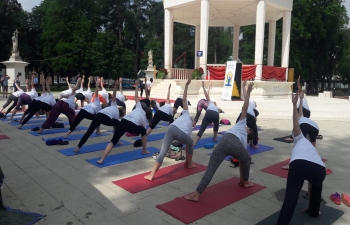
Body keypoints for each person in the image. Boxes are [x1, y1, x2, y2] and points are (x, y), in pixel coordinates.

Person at [184, 82, 256, 202]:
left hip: (224, 141)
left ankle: (196, 194)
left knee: (211, 168)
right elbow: (243, 161)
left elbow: (244, 107)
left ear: (248, 132)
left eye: (248, 129)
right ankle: (246, 182)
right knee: (246, 159)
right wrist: (243, 180)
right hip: (233, 143)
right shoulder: (243, 141)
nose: (247, 127)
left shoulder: (242, 124)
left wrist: (247, 93)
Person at [277, 93, 326, 225]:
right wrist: (297, 103)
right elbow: (299, 120)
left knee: (291, 198)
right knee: (316, 185)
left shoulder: (299, 138)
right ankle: (314, 210)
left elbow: (296, 122)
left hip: (298, 164)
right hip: (320, 169)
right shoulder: (311, 146)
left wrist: (294, 105)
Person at [144, 77, 194, 181]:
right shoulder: (189, 121)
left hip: (171, 128)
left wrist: (186, 85)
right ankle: (189, 164)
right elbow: (188, 146)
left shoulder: (184, 113)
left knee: (162, 152)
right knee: (191, 143)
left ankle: (151, 175)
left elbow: (184, 99)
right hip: (181, 133)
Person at [96, 79, 151, 164]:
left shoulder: (139, 106)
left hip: (123, 121)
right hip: (131, 125)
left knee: (113, 141)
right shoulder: (144, 119)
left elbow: (136, 97)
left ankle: (101, 159)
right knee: (144, 131)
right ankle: (144, 150)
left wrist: (137, 87)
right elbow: (144, 132)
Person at [74, 80, 126, 153]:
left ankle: (77, 147)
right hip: (106, 118)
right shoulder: (117, 115)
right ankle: (115, 141)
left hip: (98, 115)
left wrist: (115, 86)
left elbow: (114, 95)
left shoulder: (113, 105)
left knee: (88, 132)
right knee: (118, 124)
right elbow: (115, 128)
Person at [192, 81, 220, 146]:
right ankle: (215, 138)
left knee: (202, 128)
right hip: (216, 114)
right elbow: (207, 95)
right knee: (216, 125)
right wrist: (207, 87)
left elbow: (206, 95)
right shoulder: (216, 107)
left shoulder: (209, 102)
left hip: (209, 113)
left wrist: (203, 87)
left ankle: (194, 142)